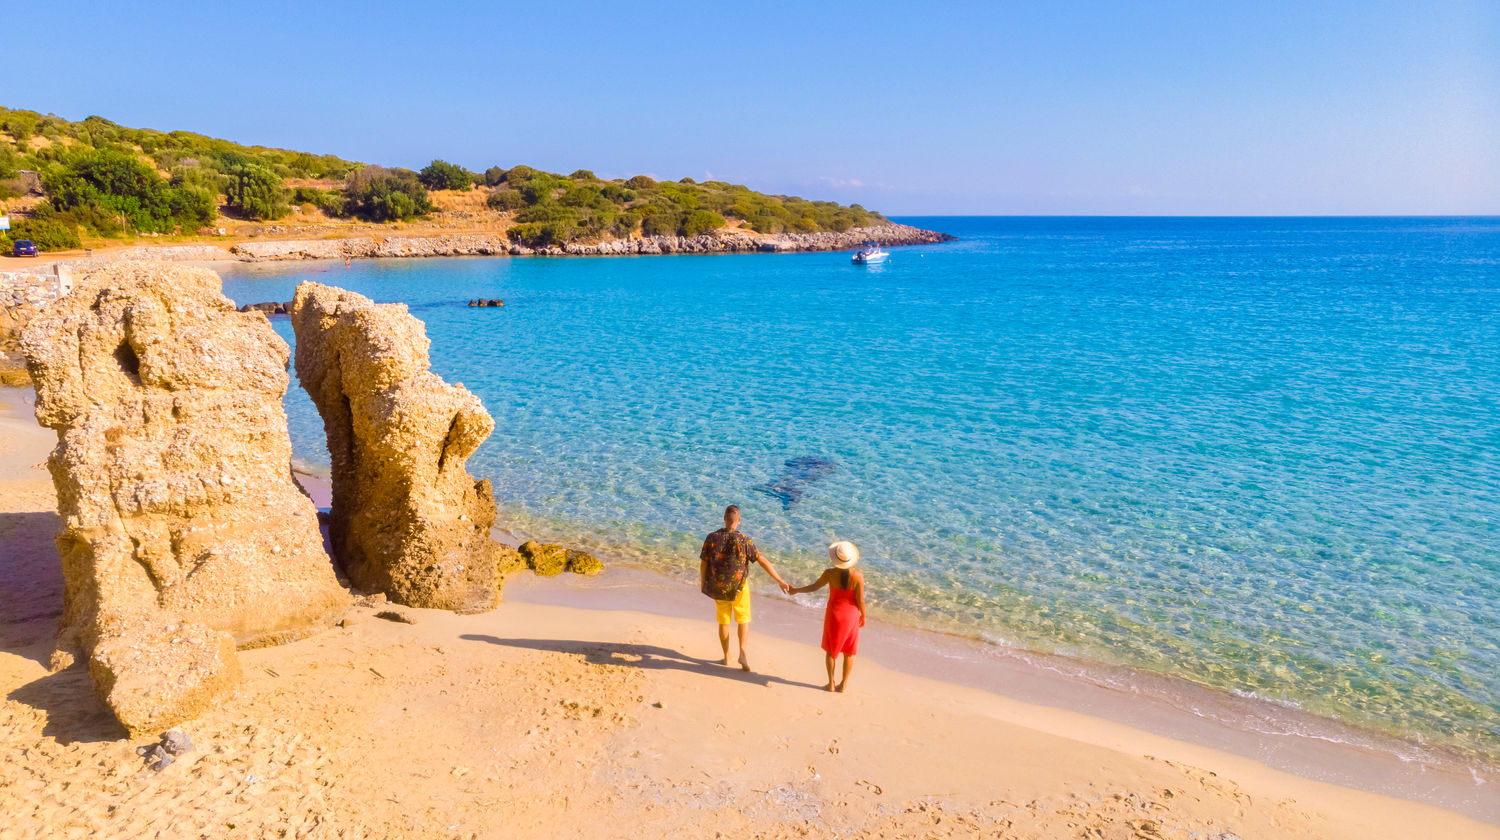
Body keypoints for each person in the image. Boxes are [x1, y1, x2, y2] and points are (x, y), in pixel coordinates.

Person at [700, 505, 792, 671]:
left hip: (719, 587)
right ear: (739, 520)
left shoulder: (711, 537)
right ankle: (742, 653)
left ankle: (727, 656)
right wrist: (779, 580)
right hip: (739, 588)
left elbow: (704, 562)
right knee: (743, 619)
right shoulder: (744, 540)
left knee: (724, 622)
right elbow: (762, 561)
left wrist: (703, 582)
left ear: (724, 518)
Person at [789, 541, 866, 692]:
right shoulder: (858, 576)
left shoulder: (829, 574)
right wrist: (864, 615)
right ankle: (843, 685)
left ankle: (831, 683)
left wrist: (796, 590)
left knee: (831, 651)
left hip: (834, 614)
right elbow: (860, 600)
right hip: (851, 617)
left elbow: (813, 587)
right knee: (849, 652)